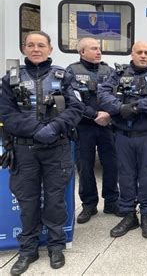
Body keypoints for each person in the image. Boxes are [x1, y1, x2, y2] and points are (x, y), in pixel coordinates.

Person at [0, 31, 83, 274]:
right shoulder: (10, 80)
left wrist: (55, 127)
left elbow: (77, 108)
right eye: (31, 45)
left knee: (56, 201)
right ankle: (28, 250)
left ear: (50, 49)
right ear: (24, 49)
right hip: (24, 151)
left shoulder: (64, 76)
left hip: (56, 149)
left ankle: (56, 246)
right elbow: (6, 114)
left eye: (41, 45)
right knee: (27, 202)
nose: (36, 49)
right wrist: (38, 130)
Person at [98, 41, 147, 239]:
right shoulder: (118, 75)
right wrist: (119, 107)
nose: (142, 55)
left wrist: (136, 107)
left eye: (146, 52)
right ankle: (129, 215)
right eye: (139, 52)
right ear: (132, 54)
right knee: (125, 175)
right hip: (122, 136)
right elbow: (103, 95)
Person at [66, 37, 120, 224]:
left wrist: (109, 115)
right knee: (85, 166)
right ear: (82, 52)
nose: (99, 52)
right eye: (94, 48)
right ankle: (89, 205)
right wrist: (95, 114)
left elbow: (119, 96)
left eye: (99, 48)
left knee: (112, 164)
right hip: (84, 127)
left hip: (107, 127)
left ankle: (112, 201)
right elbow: (72, 100)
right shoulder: (72, 71)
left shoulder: (110, 71)